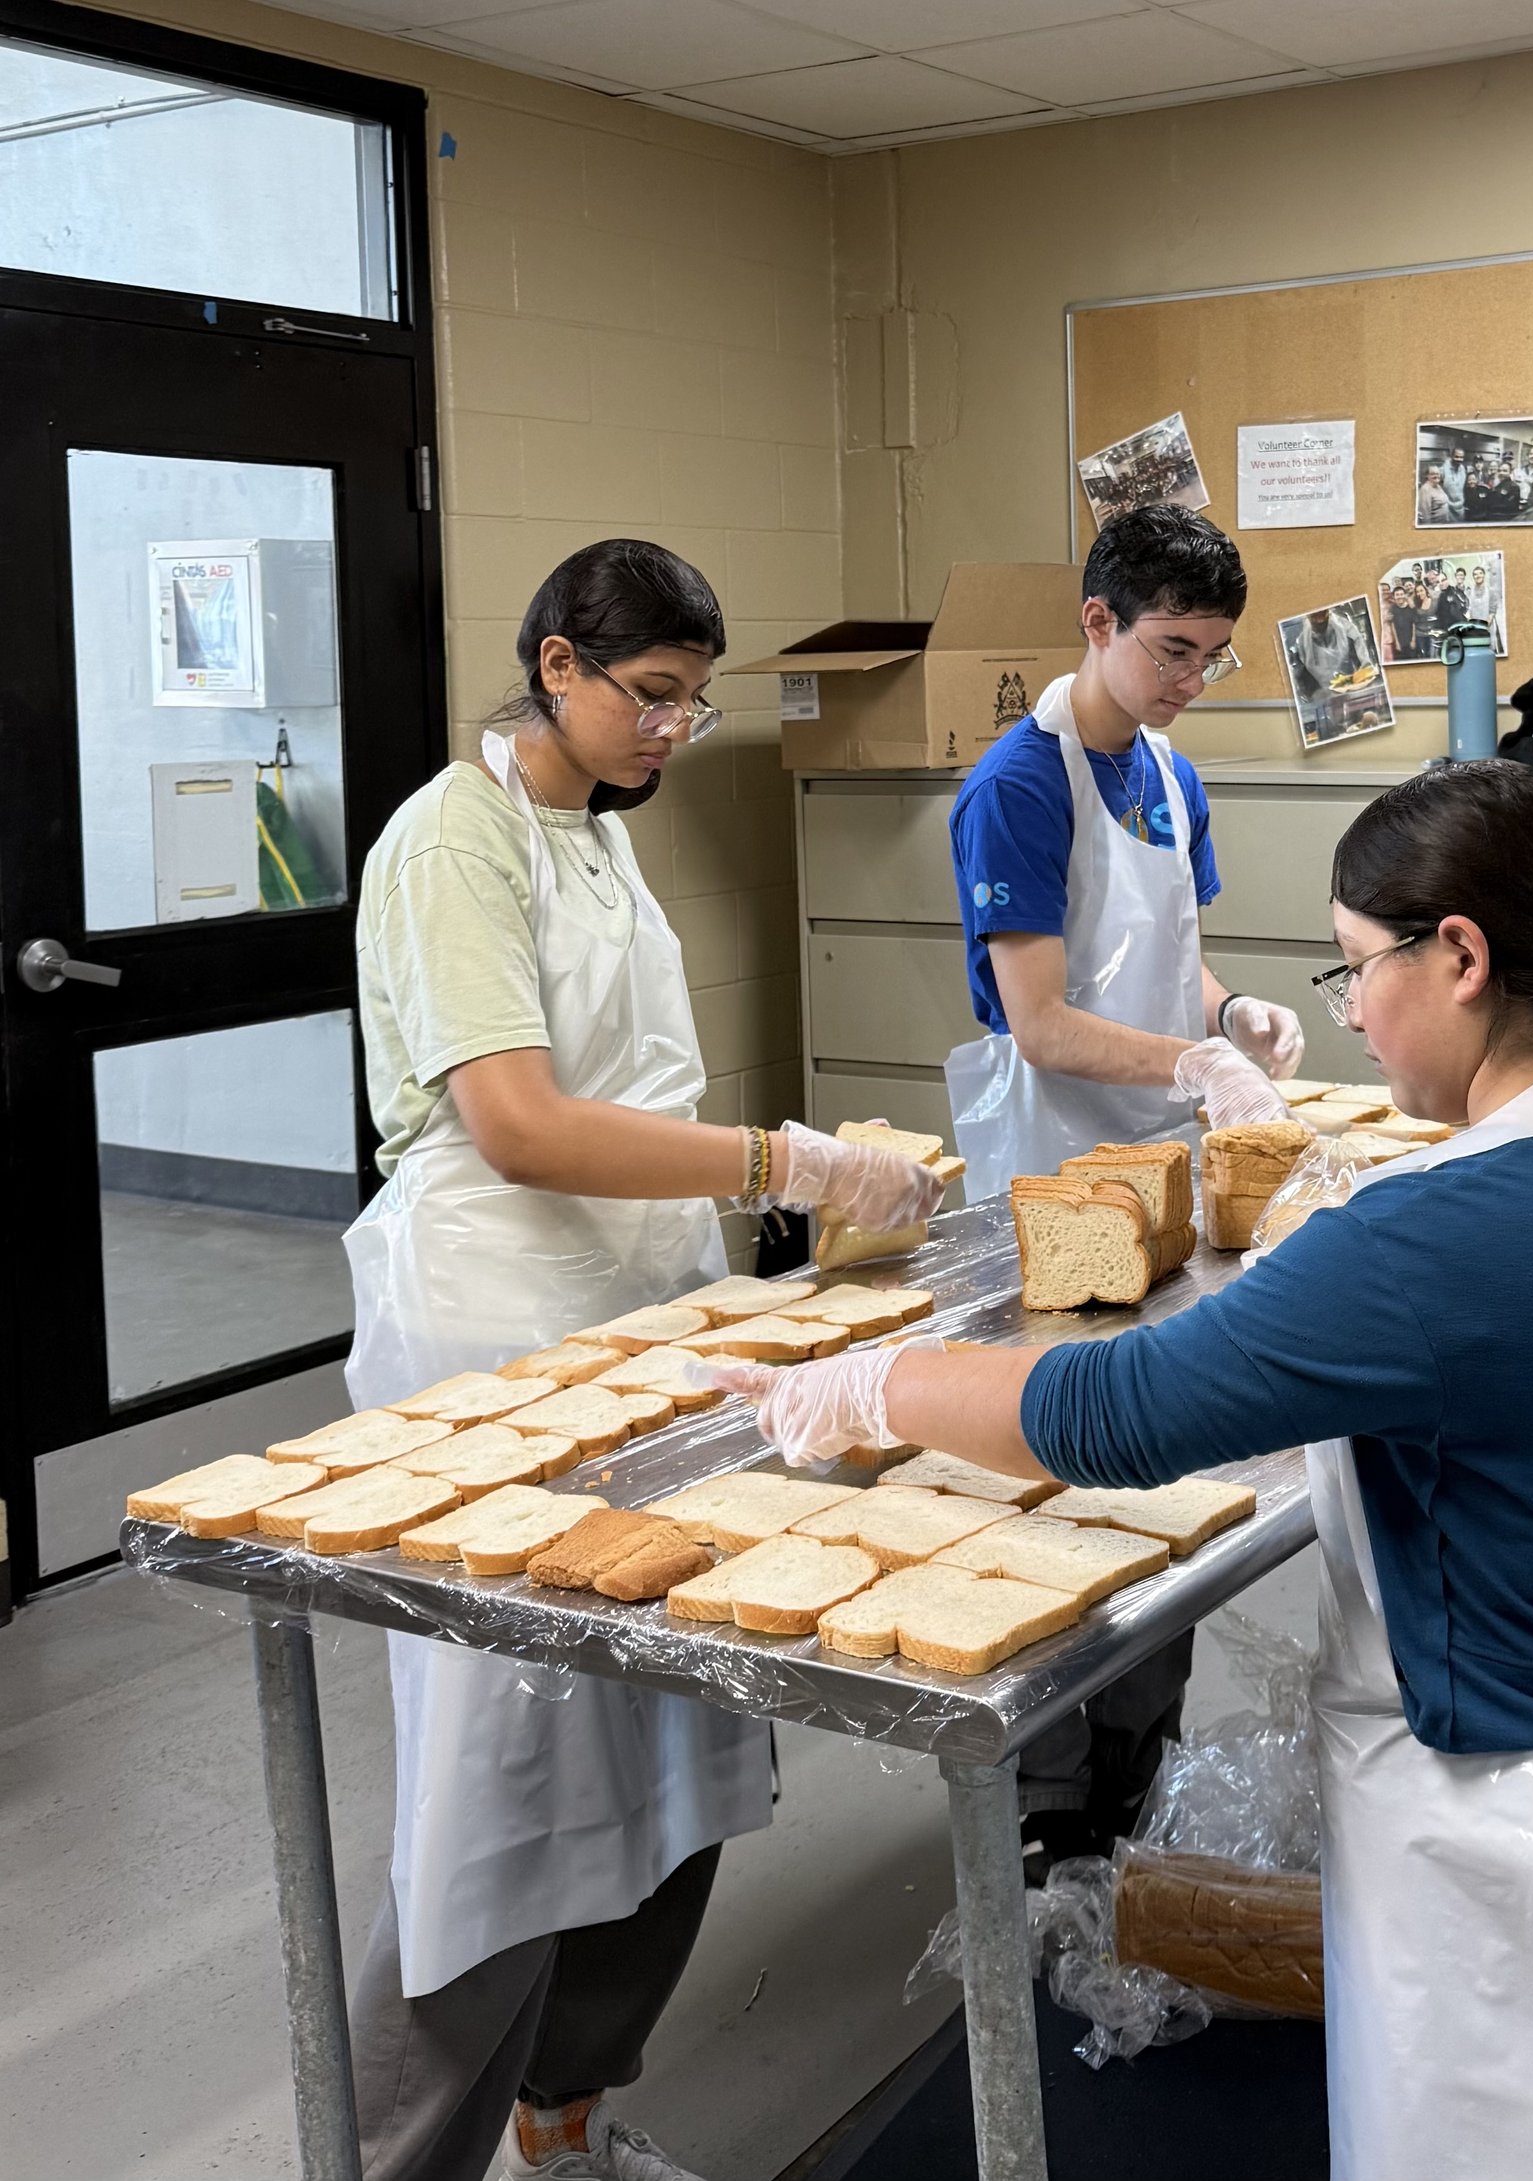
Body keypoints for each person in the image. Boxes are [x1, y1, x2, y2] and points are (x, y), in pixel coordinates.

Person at [715, 762, 1533, 2181]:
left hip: (1532, 1873)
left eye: (1357, 966)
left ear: (1465, 956)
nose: (1350, 1009)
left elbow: (1118, 1409)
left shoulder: (1444, 1239)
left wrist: (871, 1384)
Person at [342, 540, 946, 2181]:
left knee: (672, 1739)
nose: (673, 732)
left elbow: (635, 1096)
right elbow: (521, 1125)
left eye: (695, 700)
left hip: (635, 1319)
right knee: (499, 1781)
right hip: (488, 1332)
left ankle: (568, 2120)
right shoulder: (452, 838)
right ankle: (404, 2156)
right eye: (649, 695)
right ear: (553, 666)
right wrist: (788, 1165)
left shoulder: (599, 839)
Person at [943, 503, 1301, 1863]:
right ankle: (1045, 1809)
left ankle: (1134, 1776)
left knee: (1163, 1467)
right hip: (1055, 1171)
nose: (1188, 680)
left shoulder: (1170, 770)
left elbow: (1168, 960)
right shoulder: (1019, 788)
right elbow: (1040, 1019)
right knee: (1059, 1483)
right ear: (1097, 624)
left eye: (1211, 655)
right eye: (1168, 650)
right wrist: (1194, 1062)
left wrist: (1237, 1014)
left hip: (1161, 1172)